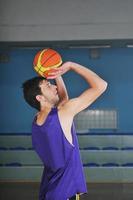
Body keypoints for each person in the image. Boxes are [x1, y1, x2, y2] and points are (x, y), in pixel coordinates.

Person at [22, 61, 107, 200]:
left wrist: (57, 74)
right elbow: (101, 85)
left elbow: (63, 100)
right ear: (40, 97)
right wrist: (72, 65)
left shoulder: (37, 120)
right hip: (65, 192)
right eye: (48, 86)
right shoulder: (62, 114)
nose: (54, 87)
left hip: (49, 191)